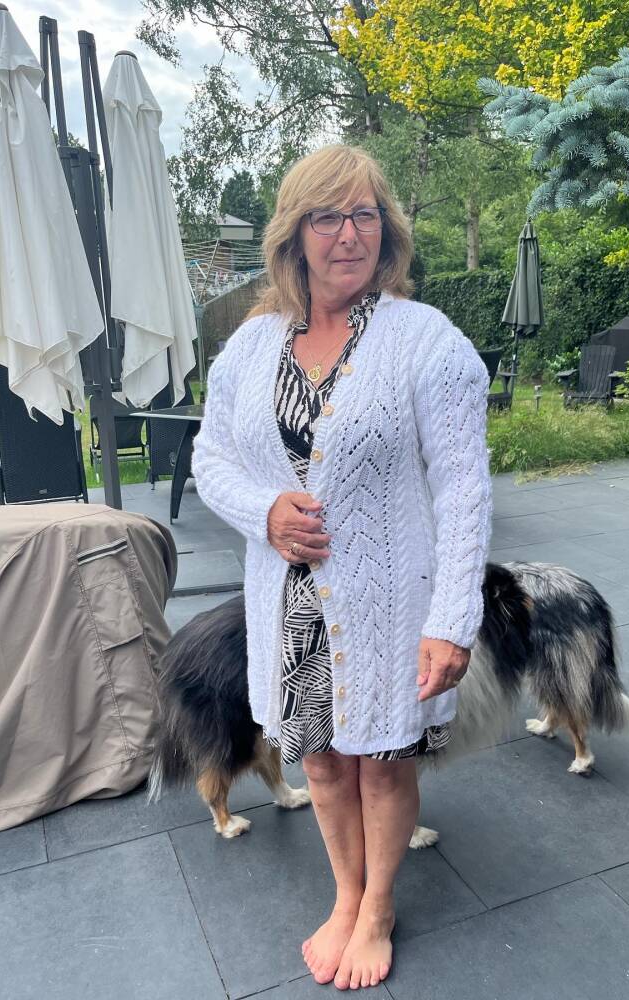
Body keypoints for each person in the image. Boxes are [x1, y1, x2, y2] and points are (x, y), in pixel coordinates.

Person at [192, 144, 492, 990]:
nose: (349, 234)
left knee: (385, 762)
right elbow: (211, 458)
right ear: (295, 233)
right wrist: (264, 511)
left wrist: (452, 620)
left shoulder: (426, 341)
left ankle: (379, 907)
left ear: (386, 230)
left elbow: (465, 488)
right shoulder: (251, 345)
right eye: (328, 216)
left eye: (365, 215)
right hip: (286, 602)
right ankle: (347, 893)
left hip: (389, 602)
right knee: (322, 761)